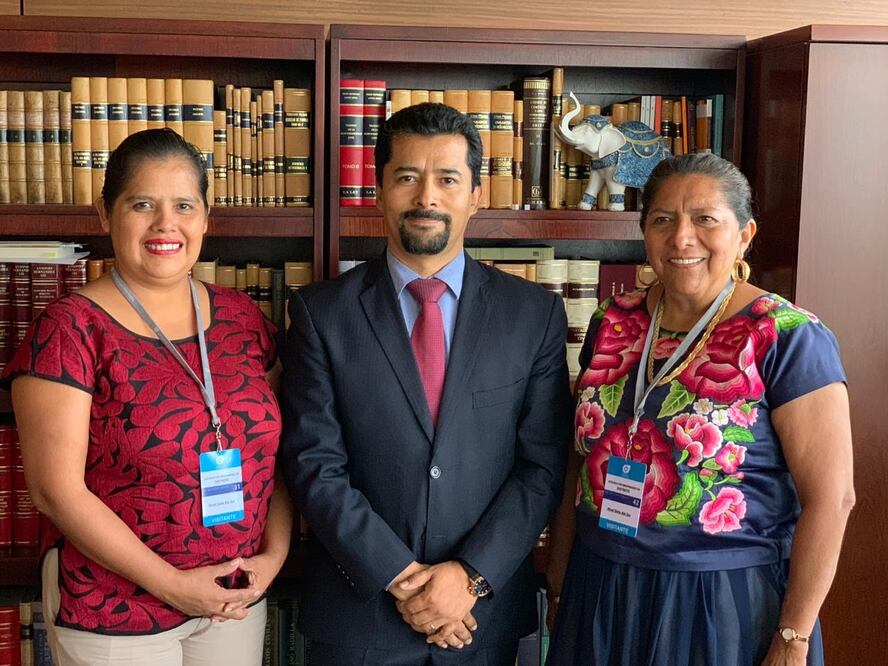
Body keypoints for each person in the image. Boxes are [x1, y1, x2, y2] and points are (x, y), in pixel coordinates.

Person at [278, 102, 572, 665]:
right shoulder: (321, 313)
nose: (426, 197)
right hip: (358, 616)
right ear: (379, 188)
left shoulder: (532, 314)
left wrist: (468, 578)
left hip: (480, 618)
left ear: (476, 195)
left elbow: (542, 466)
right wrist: (402, 577)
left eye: (447, 179)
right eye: (407, 177)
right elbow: (314, 462)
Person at [545, 152, 855, 666]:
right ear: (644, 232)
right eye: (663, 220)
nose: (682, 238)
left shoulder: (787, 336)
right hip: (601, 583)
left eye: (705, 219)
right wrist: (559, 581)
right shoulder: (611, 321)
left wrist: (794, 636)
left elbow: (832, 499)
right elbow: (577, 463)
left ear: (744, 234)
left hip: (721, 600)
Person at [3, 128, 292, 666]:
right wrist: (175, 586)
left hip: (234, 595)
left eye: (184, 205)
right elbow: (55, 492)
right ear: (104, 213)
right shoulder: (69, 330)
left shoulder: (242, 318)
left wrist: (274, 555)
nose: (166, 224)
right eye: (142, 204)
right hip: (116, 608)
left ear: (206, 218)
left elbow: (274, 452)